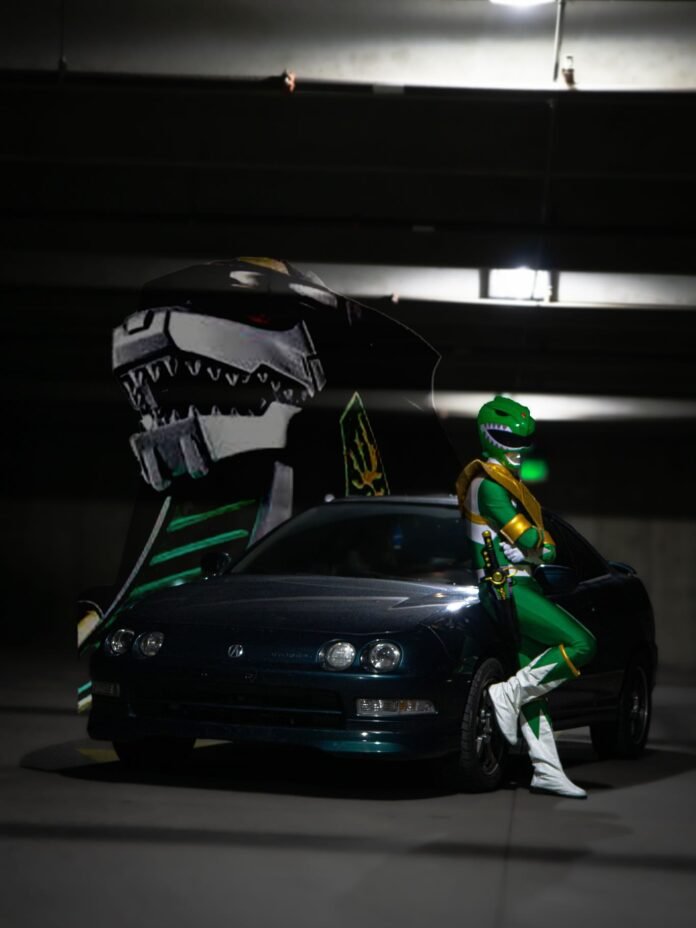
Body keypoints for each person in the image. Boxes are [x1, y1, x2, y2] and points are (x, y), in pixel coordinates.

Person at [455, 395, 596, 799]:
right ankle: (507, 693)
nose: (518, 449)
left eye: (524, 441)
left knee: (537, 686)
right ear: (489, 436)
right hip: (506, 586)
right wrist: (536, 547)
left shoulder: (507, 486)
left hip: (520, 584)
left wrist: (537, 549)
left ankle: (547, 770)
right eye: (510, 439)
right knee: (582, 643)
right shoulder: (488, 486)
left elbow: (547, 547)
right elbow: (536, 539)